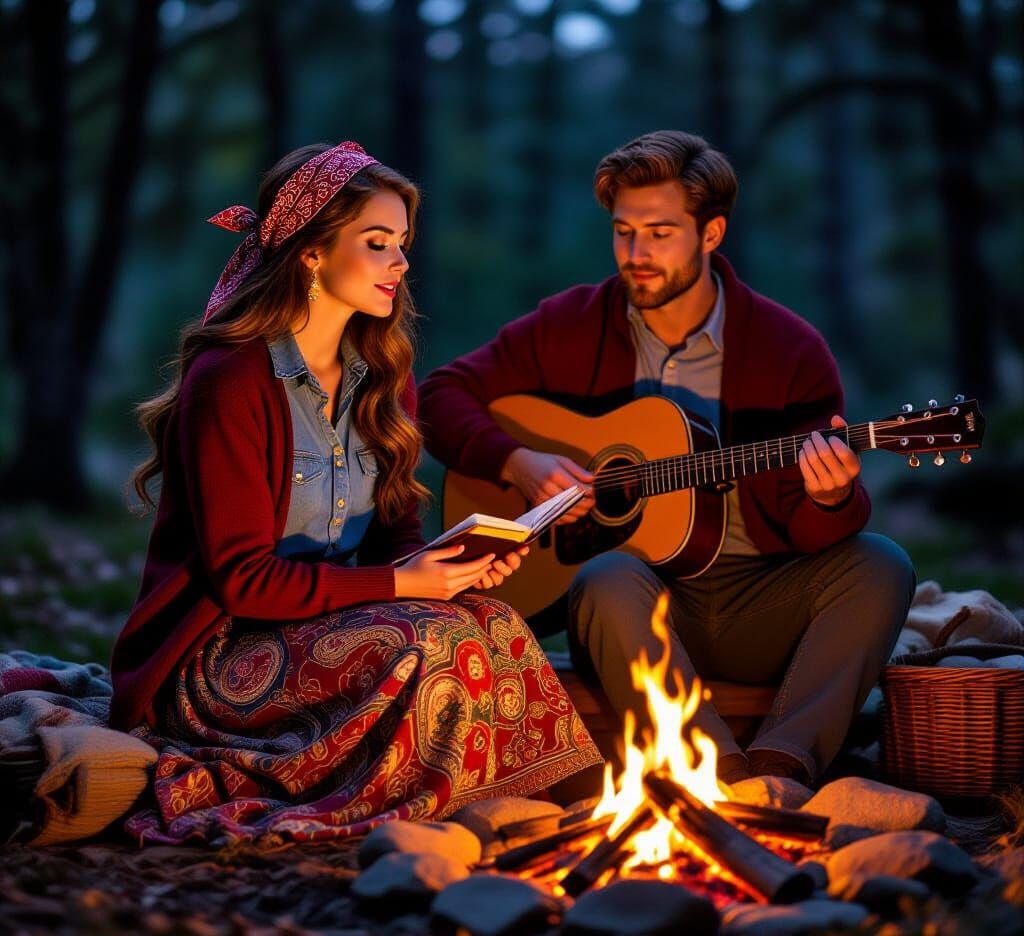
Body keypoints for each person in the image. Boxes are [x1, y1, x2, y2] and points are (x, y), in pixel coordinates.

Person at [109, 141, 600, 844]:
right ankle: (430, 817)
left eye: (401, 244)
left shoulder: (380, 373)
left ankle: (578, 806)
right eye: (378, 244)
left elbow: (396, 531)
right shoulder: (234, 379)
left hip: (340, 627)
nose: (400, 263)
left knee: (492, 620)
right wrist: (405, 587)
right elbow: (243, 583)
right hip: (222, 656)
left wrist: (450, 567)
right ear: (311, 251)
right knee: (430, 643)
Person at [418, 130, 915, 787]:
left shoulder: (787, 349)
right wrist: (517, 462)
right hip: (631, 610)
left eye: (659, 233)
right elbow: (440, 397)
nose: (636, 254)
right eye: (623, 232)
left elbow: (809, 529)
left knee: (882, 563)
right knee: (604, 575)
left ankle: (783, 765)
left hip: (758, 599)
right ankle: (712, 774)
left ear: (711, 234)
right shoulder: (571, 323)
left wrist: (831, 498)